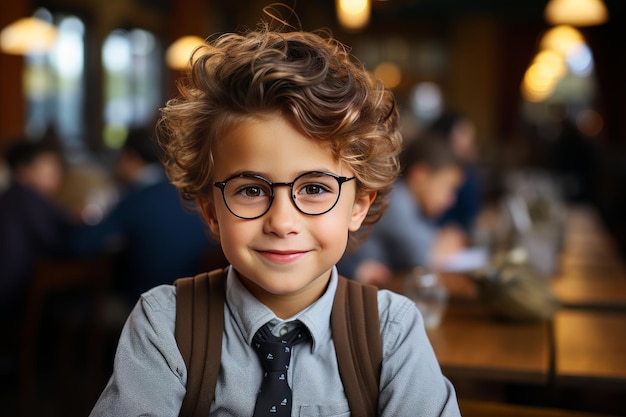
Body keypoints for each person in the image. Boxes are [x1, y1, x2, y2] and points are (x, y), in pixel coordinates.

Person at [88, 17, 461, 417]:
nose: (282, 222)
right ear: (211, 211)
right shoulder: (164, 326)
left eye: (315, 188)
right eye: (251, 190)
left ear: (359, 205)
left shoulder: (392, 332)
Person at [71, 127, 221, 305]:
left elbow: (82, 245)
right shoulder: (189, 195)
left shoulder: (135, 198)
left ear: (131, 158)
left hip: (145, 303)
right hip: (196, 302)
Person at [338, 132, 464, 285]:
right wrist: (440, 245)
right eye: (447, 188)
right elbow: (422, 258)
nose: (451, 199)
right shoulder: (395, 200)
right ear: (420, 175)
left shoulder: (411, 203)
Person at [0, 137, 77, 318]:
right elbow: (60, 243)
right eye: (48, 168)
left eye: (57, 168)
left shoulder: (13, 196)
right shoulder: (27, 198)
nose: (57, 174)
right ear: (23, 170)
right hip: (14, 296)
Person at [427, 111, 482, 245]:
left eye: (470, 135)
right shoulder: (433, 170)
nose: (468, 141)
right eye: (463, 134)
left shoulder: (467, 169)